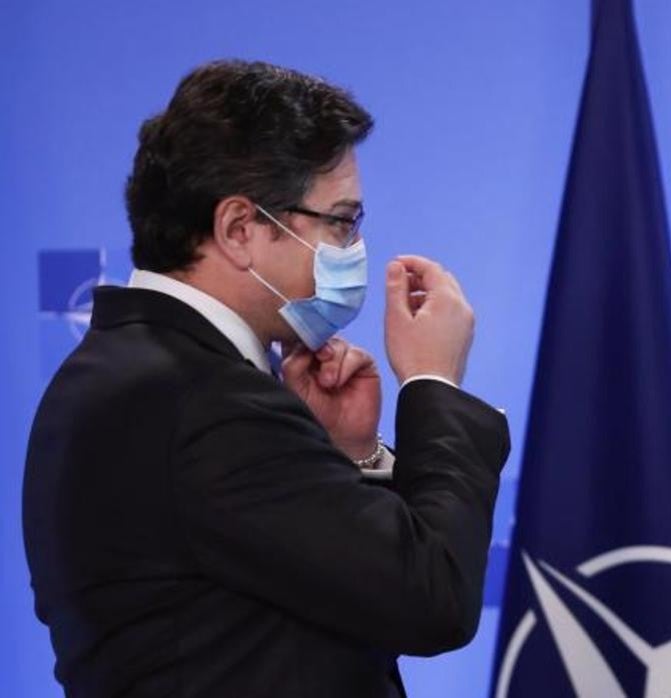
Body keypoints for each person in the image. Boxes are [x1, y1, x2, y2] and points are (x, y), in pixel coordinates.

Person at [23, 60, 509, 697]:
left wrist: (348, 454)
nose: (354, 245)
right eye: (341, 220)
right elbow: (432, 597)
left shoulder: (129, 371)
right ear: (239, 230)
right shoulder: (204, 401)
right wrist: (432, 383)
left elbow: (332, 595)